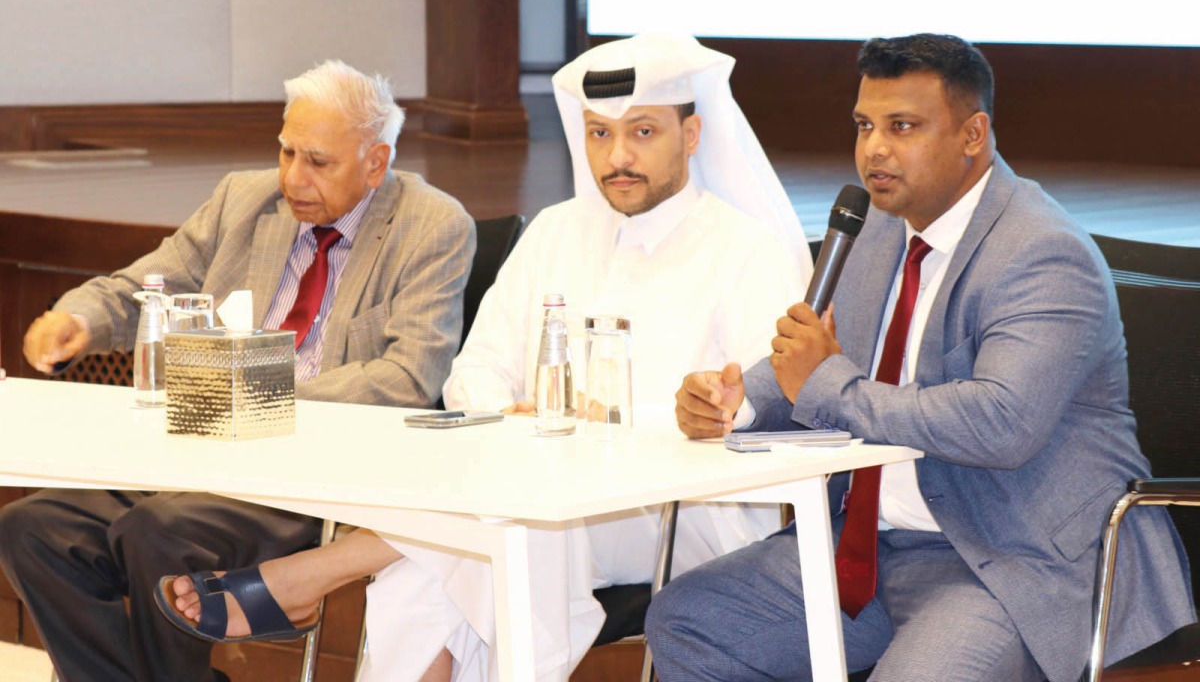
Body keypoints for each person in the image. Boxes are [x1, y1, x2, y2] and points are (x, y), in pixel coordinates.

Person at [156, 33, 814, 681]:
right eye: (599, 133)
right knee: (445, 567)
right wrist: (514, 416)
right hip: (526, 495)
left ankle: (313, 576)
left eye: (643, 132)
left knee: (483, 536)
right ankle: (308, 580)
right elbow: (474, 373)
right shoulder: (556, 231)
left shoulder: (748, 251)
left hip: (680, 514)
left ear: (691, 135)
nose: (617, 156)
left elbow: (762, 410)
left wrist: (615, 424)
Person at [650, 33, 1196, 682]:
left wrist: (824, 383)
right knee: (688, 622)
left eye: (902, 126)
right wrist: (737, 404)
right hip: (867, 549)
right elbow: (819, 362)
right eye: (864, 125)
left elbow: (999, 424)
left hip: (1007, 561)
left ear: (973, 134)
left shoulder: (1044, 253)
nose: (874, 148)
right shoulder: (879, 227)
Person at [0, 59, 475, 682]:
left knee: (157, 534)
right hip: (195, 452)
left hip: (312, 474)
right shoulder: (243, 199)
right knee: (31, 528)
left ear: (375, 162)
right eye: (287, 151)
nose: (294, 177)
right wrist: (80, 319)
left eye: (318, 161)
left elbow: (409, 378)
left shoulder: (432, 226)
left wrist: (255, 395)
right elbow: (146, 286)